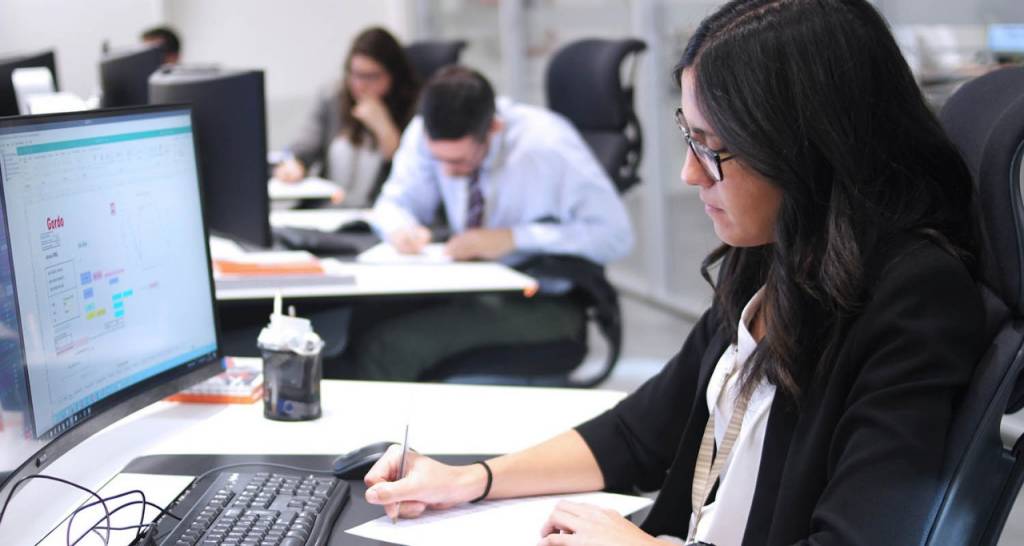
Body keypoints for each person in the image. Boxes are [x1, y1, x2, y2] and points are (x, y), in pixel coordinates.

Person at [358, 1, 989, 544]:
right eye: (689, 137)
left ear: (807, 147)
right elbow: (639, 433)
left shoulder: (911, 297)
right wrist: (469, 480)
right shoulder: (774, 254)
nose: (691, 174)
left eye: (714, 149)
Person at [336, 65, 633, 382]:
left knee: (390, 348)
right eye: (439, 161)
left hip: (544, 299)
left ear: (493, 127)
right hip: (472, 286)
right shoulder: (427, 132)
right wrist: (401, 228)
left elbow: (615, 235)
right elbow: (394, 202)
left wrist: (514, 238)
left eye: (459, 161)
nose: (447, 173)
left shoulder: (547, 146)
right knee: (358, 320)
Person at [273, 27, 419, 208]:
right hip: (328, 211)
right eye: (355, 74)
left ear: (393, 75)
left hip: (375, 214)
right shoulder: (333, 98)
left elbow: (411, 173)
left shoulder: (415, 108)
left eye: (371, 76)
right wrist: (296, 163)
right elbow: (305, 146)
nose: (360, 85)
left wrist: (383, 126)